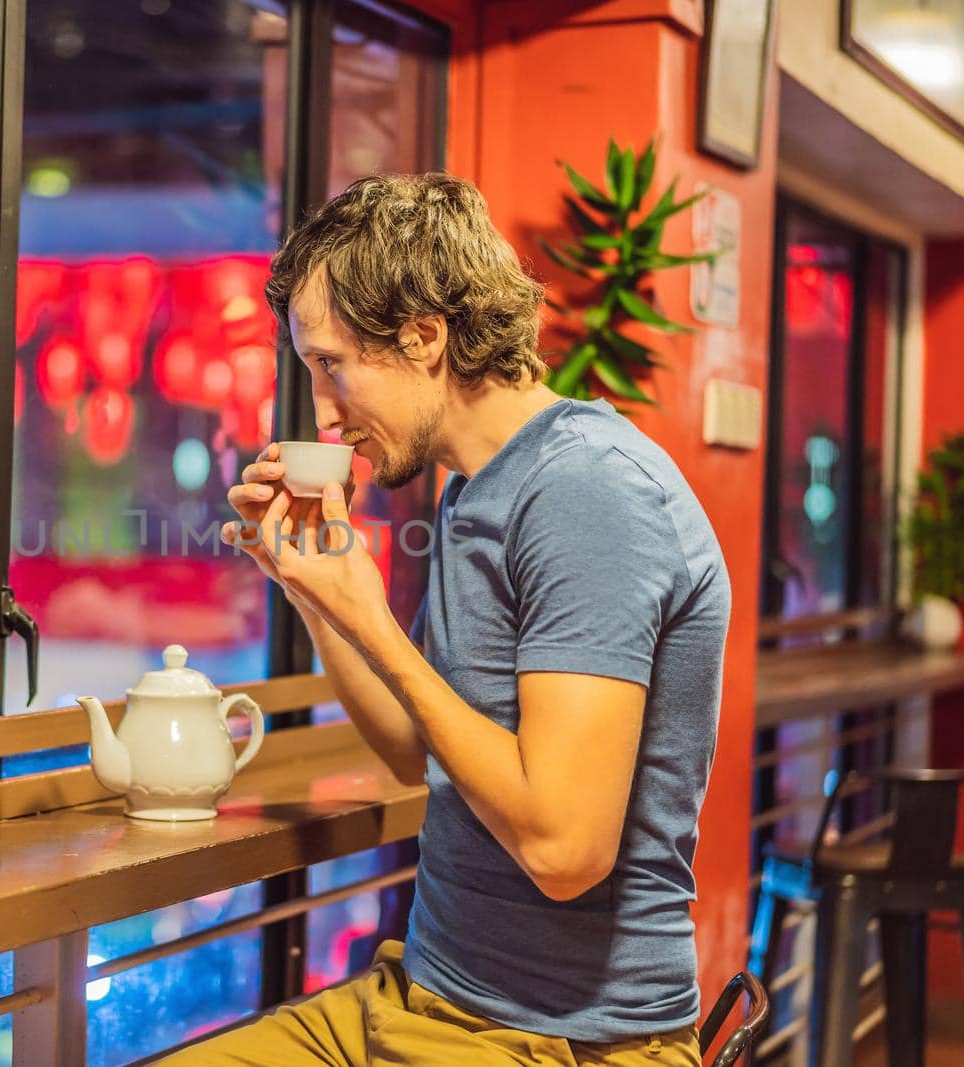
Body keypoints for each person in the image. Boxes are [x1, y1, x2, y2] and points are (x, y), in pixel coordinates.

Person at [174, 174, 730, 1065]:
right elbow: (414, 748)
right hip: (427, 998)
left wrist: (377, 621)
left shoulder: (585, 490)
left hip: (563, 1041)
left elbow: (563, 847)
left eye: (332, 363)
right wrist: (314, 588)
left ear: (425, 337)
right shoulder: (481, 486)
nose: (321, 406)